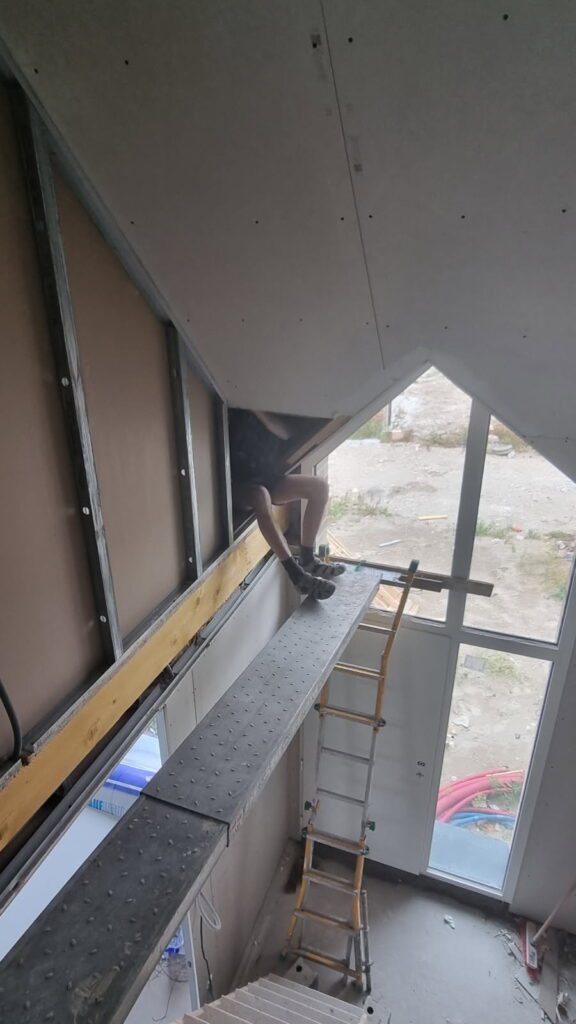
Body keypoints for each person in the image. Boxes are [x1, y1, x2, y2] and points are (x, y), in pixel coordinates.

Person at [228, 408, 345, 600]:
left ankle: (308, 559)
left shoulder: (276, 403)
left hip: (266, 476)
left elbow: (285, 431)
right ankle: (296, 575)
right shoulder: (233, 406)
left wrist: (255, 407)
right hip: (237, 485)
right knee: (260, 495)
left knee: (319, 487)